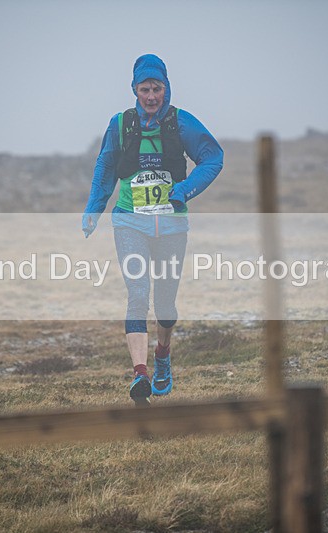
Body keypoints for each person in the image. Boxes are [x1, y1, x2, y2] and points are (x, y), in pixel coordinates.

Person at [81, 54, 223, 406]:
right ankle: (140, 374)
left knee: (165, 304)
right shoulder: (120, 124)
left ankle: (163, 356)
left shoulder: (180, 123)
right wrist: (94, 210)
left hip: (172, 226)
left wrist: (184, 189)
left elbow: (213, 157)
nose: (150, 96)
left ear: (166, 88)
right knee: (138, 293)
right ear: (134, 90)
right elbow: (105, 168)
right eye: (144, 89)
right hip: (130, 222)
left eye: (156, 88)